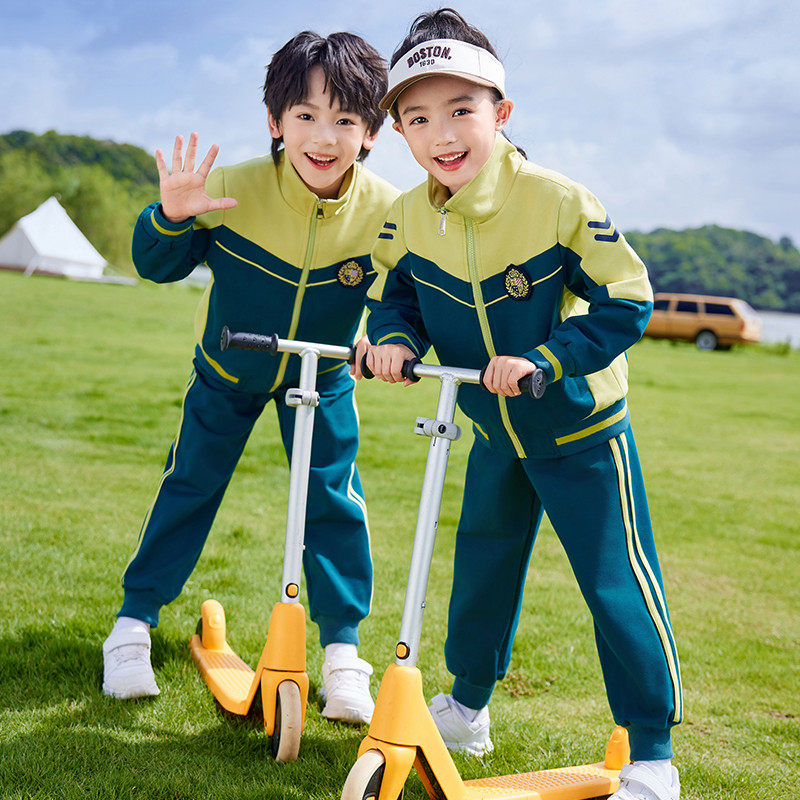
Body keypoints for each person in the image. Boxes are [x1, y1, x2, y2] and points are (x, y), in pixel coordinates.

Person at [364, 9, 682, 799]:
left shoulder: (556, 200)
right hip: (492, 431)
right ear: (399, 130)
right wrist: (395, 340)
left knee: (615, 582)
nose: (443, 133)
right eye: (419, 117)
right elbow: (393, 296)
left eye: (462, 111)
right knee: (482, 569)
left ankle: (652, 757)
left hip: (579, 428)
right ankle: (467, 708)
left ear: (501, 113)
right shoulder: (407, 214)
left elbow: (628, 298)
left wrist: (547, 359)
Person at [102, 30, 399, 726]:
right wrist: (171, 215)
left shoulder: (389, 211)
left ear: (372, 132)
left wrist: (384, 339)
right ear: (275, 122)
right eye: (305, 116)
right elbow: (156, 264)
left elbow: (401, 302)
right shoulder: (230, 187)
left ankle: (343, 653)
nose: (323, 138)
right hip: (227, 370)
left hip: (321, 381)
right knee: (190, 485)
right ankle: (132, 626)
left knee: (333, 502)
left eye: (345, 120)